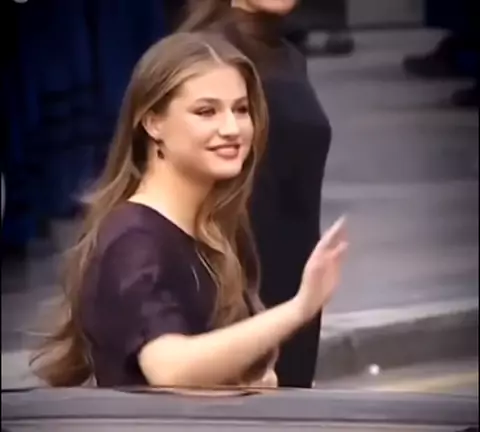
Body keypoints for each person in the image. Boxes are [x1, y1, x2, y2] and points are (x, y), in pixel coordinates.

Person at [31, 31, 347, 389]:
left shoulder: (215, 227)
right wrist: (299, 308)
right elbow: (170, 369)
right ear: (153, 122)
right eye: (206, 111)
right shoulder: (133, 239)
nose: (231, 128)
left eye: (241, 109)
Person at [180, 1, 333, 388]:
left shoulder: (290, 56)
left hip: (294, 282)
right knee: (243, 425)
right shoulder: (207, 54)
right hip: (235, 282)